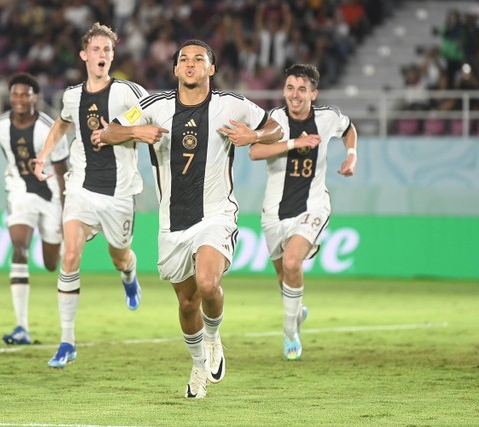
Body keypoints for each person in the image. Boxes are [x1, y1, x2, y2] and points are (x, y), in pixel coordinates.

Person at [95, 40, 283, 398]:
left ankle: (213, 340)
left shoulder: (232, 105)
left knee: (208, 284)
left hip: (216, 215)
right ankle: (198, 364)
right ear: (176, 70)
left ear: (211, 68)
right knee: (186, 303)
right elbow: (108, 132)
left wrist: (254, 135)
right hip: (172, 224)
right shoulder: (154, 106)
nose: (191, 64)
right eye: (184, 59)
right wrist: (136, 131)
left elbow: (275, 127)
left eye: (199, 59)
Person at [32, 23, 147, 369]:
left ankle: (129, 276)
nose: (102, 55)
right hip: (80, 186)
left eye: (108, 50)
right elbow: (61, 124)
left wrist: (115, 133)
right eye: (96, 49)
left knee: (120, 256)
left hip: (119, 194)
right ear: (84, 55)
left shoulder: (129, 93)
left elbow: (148, 122)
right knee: (70, 256)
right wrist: (43, 155)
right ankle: (67, 341)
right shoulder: (72, 96)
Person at [248, 63, 357, 361]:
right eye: (290, 88)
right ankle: (295, 313)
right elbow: (254, 151)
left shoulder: (327, 118)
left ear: (313, 93)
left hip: (313, 205)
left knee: (294, 262)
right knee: (284, 277)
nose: (294, 95)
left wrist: (351, 155)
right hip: (274, 211)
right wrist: (295, 143)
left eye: (301, 89)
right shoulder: (274, 120)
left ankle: (289, 331)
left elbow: (349, 130)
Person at [0, 72, 69, 346]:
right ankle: (21, 327)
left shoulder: (49, 129)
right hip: (20, 192)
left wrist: (68, 214)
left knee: (52, 263)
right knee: (19, 248)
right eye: (15, 94)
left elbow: (63, 171)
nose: (19, 99)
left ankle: (60, 245)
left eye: (25, 94)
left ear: (35, 97)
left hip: (52, 195)